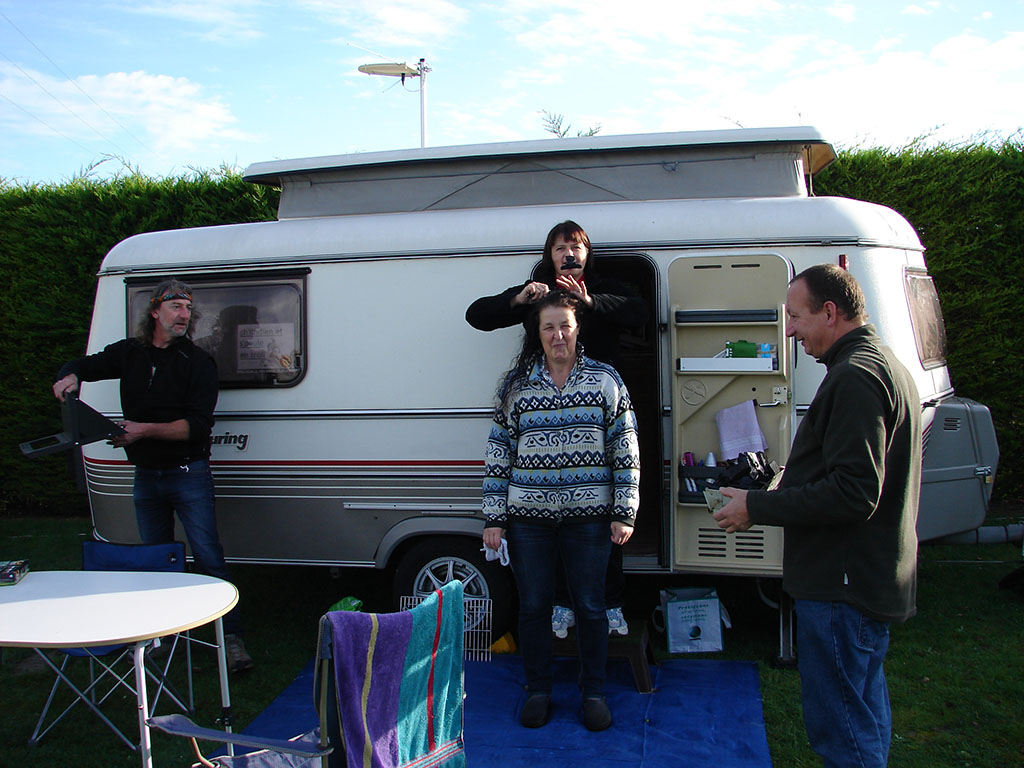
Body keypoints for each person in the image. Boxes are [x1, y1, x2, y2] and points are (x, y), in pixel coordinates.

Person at [712, 264, 920, 768]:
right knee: (863, 713)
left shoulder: (855, 378)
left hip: (840, 587)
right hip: (861, 581)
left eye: (794, 316)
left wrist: (756, 506)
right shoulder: (880, 364)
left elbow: (854, 493)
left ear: (830, 312)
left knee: (844, 733)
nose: (788, 330)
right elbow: (854, 474)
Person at [53, 280, 255, 673]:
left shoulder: (197, 363)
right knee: (156, 560)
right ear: (155, 312)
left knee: (210, 558)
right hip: (146, 476)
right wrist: (69, 376)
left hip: (187, 473)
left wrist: (142, 431)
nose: (184, 315)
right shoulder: (130, 354)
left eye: (188, 309)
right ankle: (163, 635)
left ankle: (230, 638)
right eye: (176, 307)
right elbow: (85, 364)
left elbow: (197, 426)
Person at [467, 220, 647, 638]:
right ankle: (564, 604)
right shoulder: (538, 291)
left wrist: (592, 302)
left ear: (587, 254)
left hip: (595, 414)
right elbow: (476, 315)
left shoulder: (603, 287)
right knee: (560, 525)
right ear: (549, 256)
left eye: (577, 247)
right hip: (544, 409)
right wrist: (518, 299)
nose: (569, 254)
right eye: (560, 247)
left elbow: (640, 310)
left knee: (604, 515)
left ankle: (611, 602)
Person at [482, 290, 640, 732]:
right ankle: (538, 690)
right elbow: (499, 452)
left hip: (589, 517)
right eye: (548, 327)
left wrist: (624, 511)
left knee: (590, 606)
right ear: (537, 332)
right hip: (527, 519)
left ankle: (593, 693)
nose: (557, 335)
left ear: (577, 329)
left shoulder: (605, 381)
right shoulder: (517, 387)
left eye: (564, 326)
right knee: (533, 607)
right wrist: (494, 517)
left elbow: (625, 449)